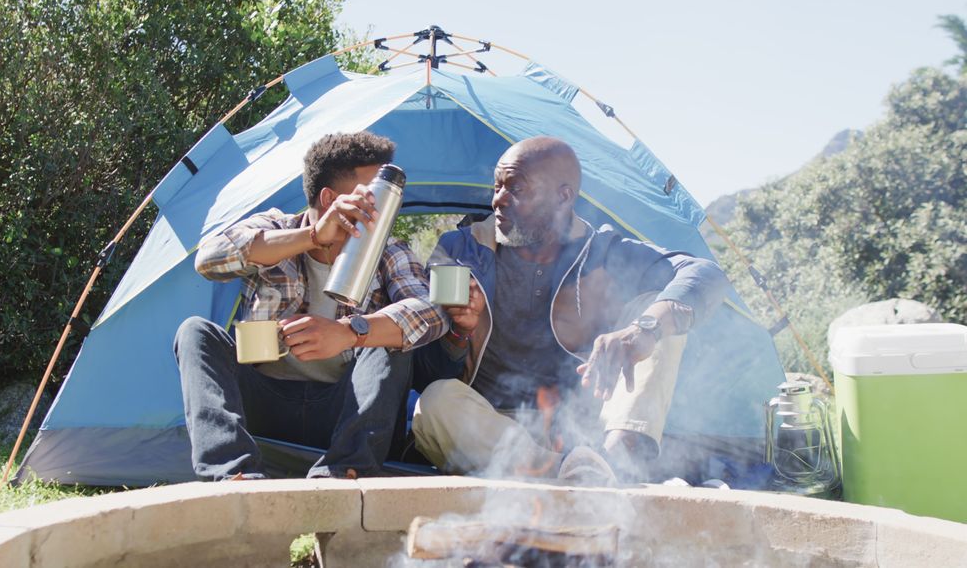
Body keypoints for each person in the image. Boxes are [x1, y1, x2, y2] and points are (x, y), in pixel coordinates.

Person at [411, 136, 729, 482]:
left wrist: (643, 330)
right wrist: (458, 334)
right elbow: (426, 372)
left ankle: (615, 463)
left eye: (516, 188)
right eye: (498, 186)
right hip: (491, 430)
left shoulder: (603, 250)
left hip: (585, 430)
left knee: (658, 314)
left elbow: (706, 274)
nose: (498, 200)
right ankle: (580, 480)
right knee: (434, 402)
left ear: (564, 196)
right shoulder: (462, 251)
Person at [175, 132, 448, 481]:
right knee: (195, 332)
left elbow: (432, 311)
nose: (381, 210)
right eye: (373, 196)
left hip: (344, 410)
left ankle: (344, 472)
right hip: (265, 400)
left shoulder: (388, 250)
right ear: (330, 198)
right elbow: (210, 260)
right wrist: (315, 236)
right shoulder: (277, 229)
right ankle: (233, 475)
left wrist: (351, 332)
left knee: (388, 342)